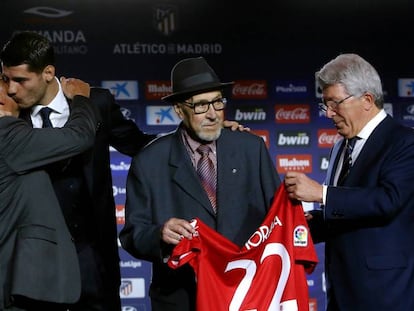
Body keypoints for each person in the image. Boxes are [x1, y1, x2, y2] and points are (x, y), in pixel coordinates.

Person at [0, 31, 246, 311]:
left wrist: (201, 133)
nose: (11, 90)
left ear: (47, 73)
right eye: (6, 79)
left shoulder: (98, 102)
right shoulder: (9, 116)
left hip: (94, 257)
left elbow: (139, 144)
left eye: (20, 80)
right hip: (35, 263)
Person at [119, 56, 281, 311]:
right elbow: (132, 235)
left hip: (248, 295)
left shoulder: (252, 148)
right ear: (179, 110)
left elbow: (277, 219)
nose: (212, 114)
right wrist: (159, 235)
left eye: (217, 102)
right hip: (183, 298)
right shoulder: (149, 161)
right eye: (201, 106)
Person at [284, 53, 414, 311]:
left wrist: (322, 194)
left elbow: (388, 200)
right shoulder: (340, 148)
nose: (329, 113)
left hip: (385, 294)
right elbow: (350, 213)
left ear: (366, 100)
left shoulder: (404, 142)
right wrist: (311, 223)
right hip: (340, 291)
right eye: (325, 105)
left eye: (335, 103)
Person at [0, 77, 98, 310]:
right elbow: (79, 136)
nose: (16, 90)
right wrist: (82, 99)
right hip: (16, 285)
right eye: (8, 86)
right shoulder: (6, 134)